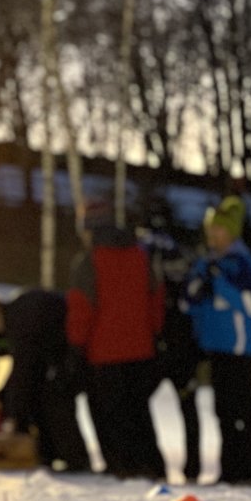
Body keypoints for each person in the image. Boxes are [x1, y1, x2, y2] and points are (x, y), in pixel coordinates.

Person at [65, 201, 168, 480]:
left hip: (104, 352)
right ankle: (150, 466)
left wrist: (76, 345)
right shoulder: (140, 255)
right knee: (139, 413)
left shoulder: (89, 261)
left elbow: (81, 307)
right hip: (141, 349)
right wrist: (154, 336)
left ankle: (120, 466)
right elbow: (156, 301)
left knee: (110, 415)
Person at [184, 195, 251, 486]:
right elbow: (193, 303)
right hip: (216, 347)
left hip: (238, 348)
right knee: (223, 411)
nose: (212, 235)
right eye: (210, 229)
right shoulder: (208, 262)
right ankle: (230, 470)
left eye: (218, 230)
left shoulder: (241, 263)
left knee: (240, 409)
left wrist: (219, 283)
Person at [0, 291, 92, 472]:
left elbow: (24, 369)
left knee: (55, 399)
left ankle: (74, 460)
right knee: (47, 395)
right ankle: (55, 454)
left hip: (78, 352)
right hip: (74, 351)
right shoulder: (20, 311)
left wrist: (13, 413)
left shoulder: (18, 322)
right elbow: (27, 368)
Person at [141, 223, 203, 483]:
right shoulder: (186, 259)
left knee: (140, 402)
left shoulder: (148, 256)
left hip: (166, 347)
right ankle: (190, 469)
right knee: (188, 408)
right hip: (182, 348)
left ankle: (156, 466)